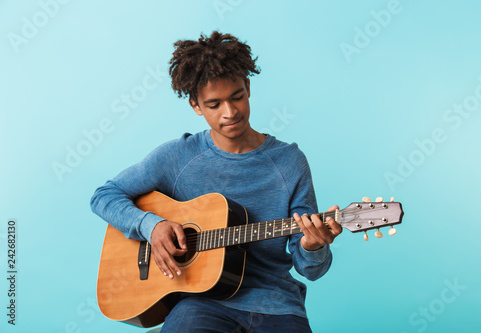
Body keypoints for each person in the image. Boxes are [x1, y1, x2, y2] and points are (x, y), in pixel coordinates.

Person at [91, 31, 343, 332]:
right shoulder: (178, 157)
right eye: (214, 104)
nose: (231, 112)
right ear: (196, 106)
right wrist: (151, 226)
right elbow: (104, 196)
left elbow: (310, 270)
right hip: (200, 302)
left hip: (275, 302)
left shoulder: (289, 162)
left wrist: (314, 246)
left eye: (237, 97)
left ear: (248, 87)